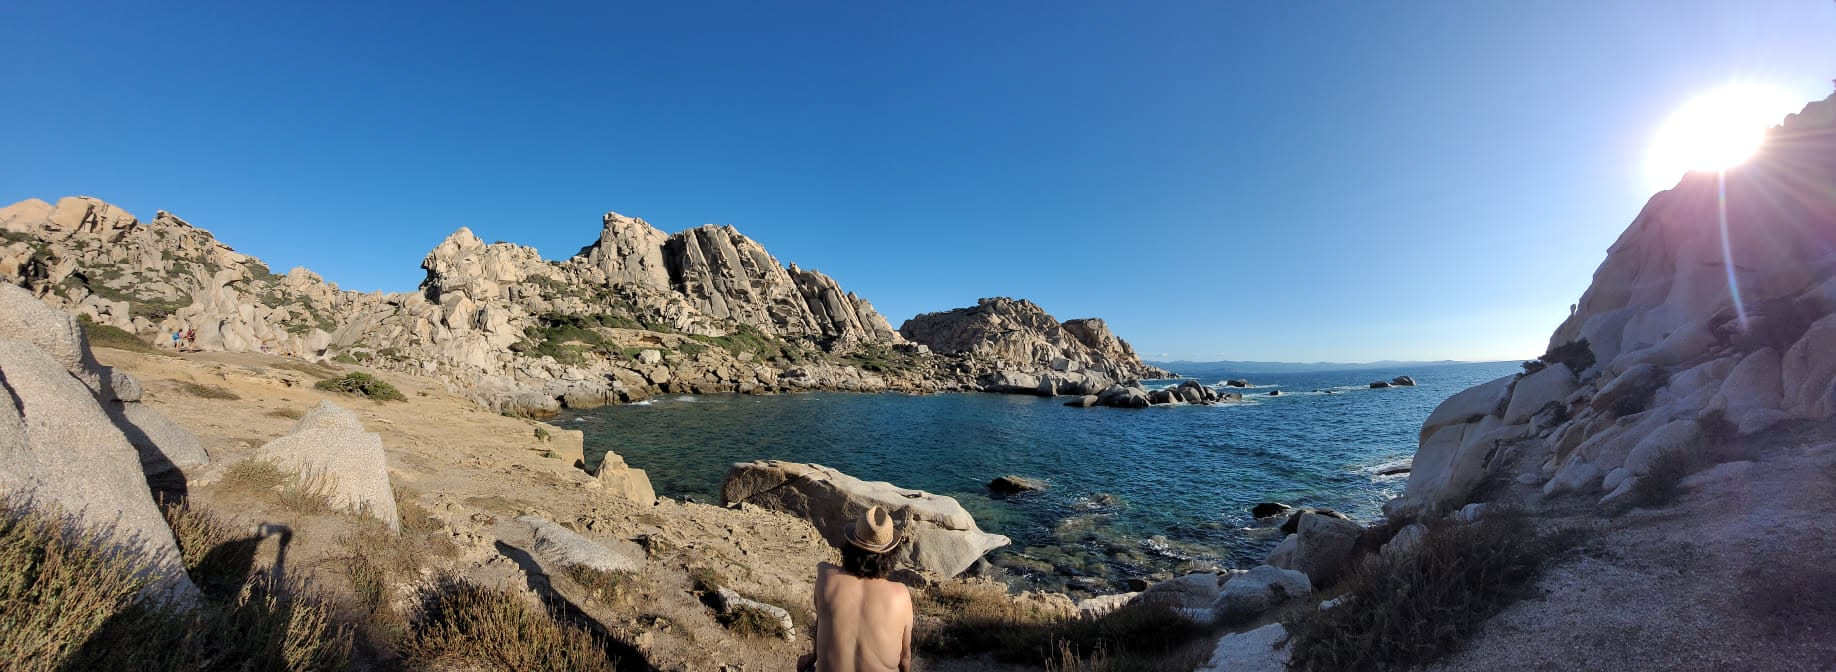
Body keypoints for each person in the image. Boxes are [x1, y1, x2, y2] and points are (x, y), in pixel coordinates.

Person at [800, 506, 913, 672]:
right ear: (891, 555)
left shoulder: (825, 576)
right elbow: (904, 659)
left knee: (803, 665)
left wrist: (814, 656)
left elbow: (822, 622)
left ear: (850, 546)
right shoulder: (900, 595)